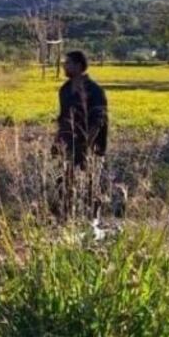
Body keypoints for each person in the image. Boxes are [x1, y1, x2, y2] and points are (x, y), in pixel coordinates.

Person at [52, 50, 109, 218]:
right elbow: (63, 117)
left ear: (78, 66)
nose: (64, 66)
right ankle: (65, 214)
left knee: (91, 181)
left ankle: (94, 217)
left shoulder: (95, 90)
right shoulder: (65, 90)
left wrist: (87, 143)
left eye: (67, 63)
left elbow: (99, 119)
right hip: (68, 142)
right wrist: (57, 141)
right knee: (63, 179)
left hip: (90, 145)